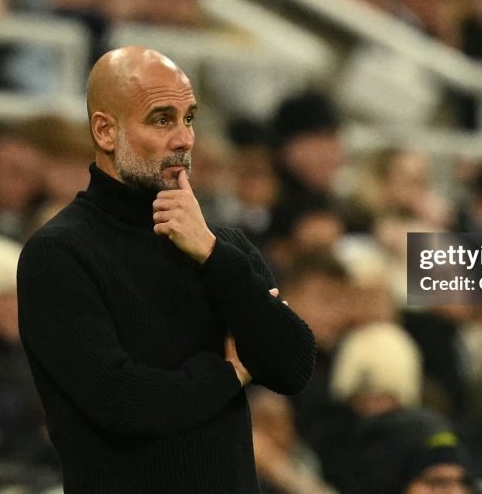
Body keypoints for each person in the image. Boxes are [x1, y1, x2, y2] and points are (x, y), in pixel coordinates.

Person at [16, 46, 316, 493]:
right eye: (162, 119)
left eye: (189, 118)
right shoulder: (59, 253)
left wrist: (213, 257)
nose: (184, 139)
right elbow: (120, 400)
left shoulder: (221, 247)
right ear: (105, 130)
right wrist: (229, 374)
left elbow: (292, 367)